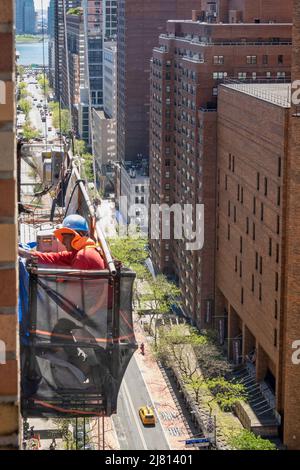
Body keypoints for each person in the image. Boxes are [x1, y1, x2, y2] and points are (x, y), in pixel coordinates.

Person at [18, 214, 105, 270]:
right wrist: (25, 253)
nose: (63, 242)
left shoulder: (83, 256)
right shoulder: (78, 252)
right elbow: (53, 257)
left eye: (65, 238)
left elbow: (71, 288)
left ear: (77, 235)